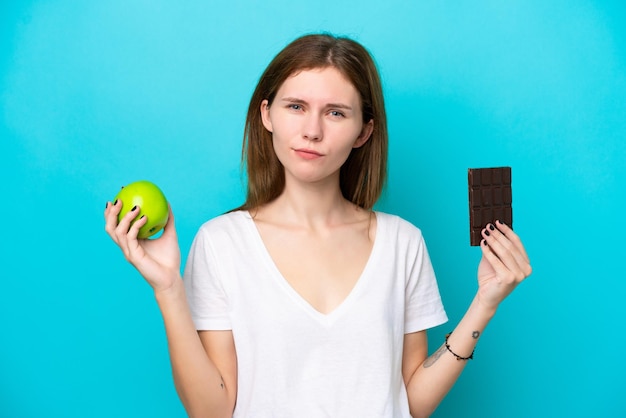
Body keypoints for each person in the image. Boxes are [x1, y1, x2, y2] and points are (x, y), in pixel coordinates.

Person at [104, 33, 532, 418]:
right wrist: (169, 290)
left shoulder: (403, 242)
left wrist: (486, 303)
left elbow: (410, 403)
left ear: (363, 132)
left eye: (335, 113)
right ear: (267, 115)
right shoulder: (221, 243)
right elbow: (212, 412)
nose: (312, 130)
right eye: (296, 107)